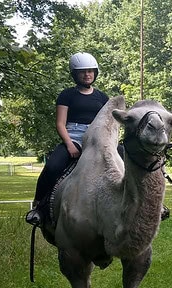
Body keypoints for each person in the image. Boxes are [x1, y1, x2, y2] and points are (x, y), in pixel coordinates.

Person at [25, 52, 109, 226]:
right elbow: (60, 124)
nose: (87, 74)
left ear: (95, 73)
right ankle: (38, 207)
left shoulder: (102, 97)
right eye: (82, 71)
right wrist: (69, 144)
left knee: (125, 158)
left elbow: (108, 122)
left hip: (98, 136)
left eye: (90, 71)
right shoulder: (67, 95)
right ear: (75, 74)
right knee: (52, 166)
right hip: (74, 135)